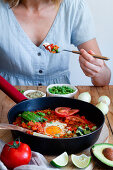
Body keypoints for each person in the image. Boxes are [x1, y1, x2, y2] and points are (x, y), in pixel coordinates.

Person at [0, 0, 111, 86]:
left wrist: (97, 70)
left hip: (60, 105)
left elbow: (104, 79)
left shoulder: (74, 6)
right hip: (7, 100)